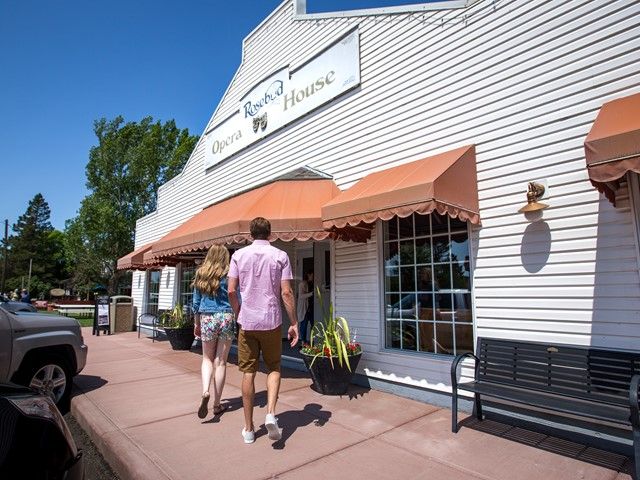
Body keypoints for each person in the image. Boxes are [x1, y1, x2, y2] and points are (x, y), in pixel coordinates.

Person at [228, 217, 299, 445]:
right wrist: (294, 322)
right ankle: (270, 412)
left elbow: (231, 290)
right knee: (274, 367)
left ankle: (249, 429)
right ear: (270, 233)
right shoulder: (280, 256)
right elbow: (286, 292)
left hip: (247, 322)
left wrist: (239, 312)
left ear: (251, 234)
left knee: (248, 372)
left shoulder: (238, 256)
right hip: (271, 320)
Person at [192, 244, 236, 419]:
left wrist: (196, 323)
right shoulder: (230, 273)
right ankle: (217, 404)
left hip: (207, 317)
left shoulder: (201, 273)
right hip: (226, 316)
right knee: (221, 361)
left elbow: (195, 303)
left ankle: (205, 391)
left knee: (206, 359)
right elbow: (235, 296)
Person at [296, 271, 314, 345]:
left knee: (313, 324)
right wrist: (312, 293)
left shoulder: (313, 283)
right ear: (308, 274)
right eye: (312, 275)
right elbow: (301, 296)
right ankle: (303, 342)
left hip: (312, 307)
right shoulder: (302, 284)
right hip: (304, 308)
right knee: (304, 324)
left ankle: (312, 341)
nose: (313, 277)